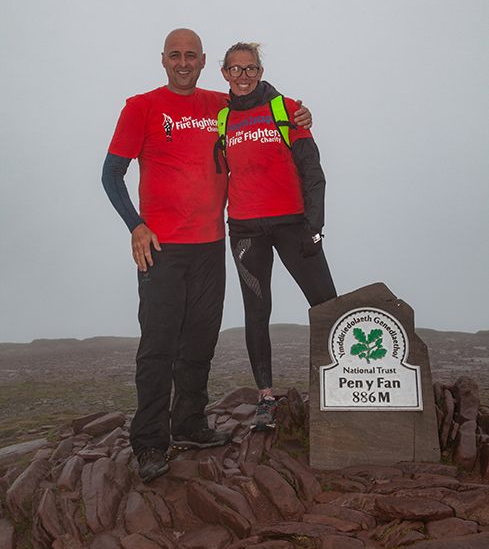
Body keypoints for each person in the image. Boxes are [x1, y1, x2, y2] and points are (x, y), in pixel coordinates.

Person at [102, 29, 311, 483]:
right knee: (158, 347)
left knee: (200, 341)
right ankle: (150, 442)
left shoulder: (218, 102)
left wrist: (299, 111)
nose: (183, 63)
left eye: (191, 56)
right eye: (175, 55)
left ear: (202, 62)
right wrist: (135, 225)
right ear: (163, 60)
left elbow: (258, 94)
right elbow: (111, 173)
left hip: (211, 243)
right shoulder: (141, 106)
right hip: (161, 247)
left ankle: (191, 425)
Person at [218, 41, 337, 431]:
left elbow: (312, 171)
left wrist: (314, 227)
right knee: (257, 311)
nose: (243, 76)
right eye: (235, 69)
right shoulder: (221, 119)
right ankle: (266, 399)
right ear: (224, 74)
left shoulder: (286, 110)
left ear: (261, 71)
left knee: (326, 305)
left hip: (292, 225)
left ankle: (341, 385)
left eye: (250, 68)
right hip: (245, 229)